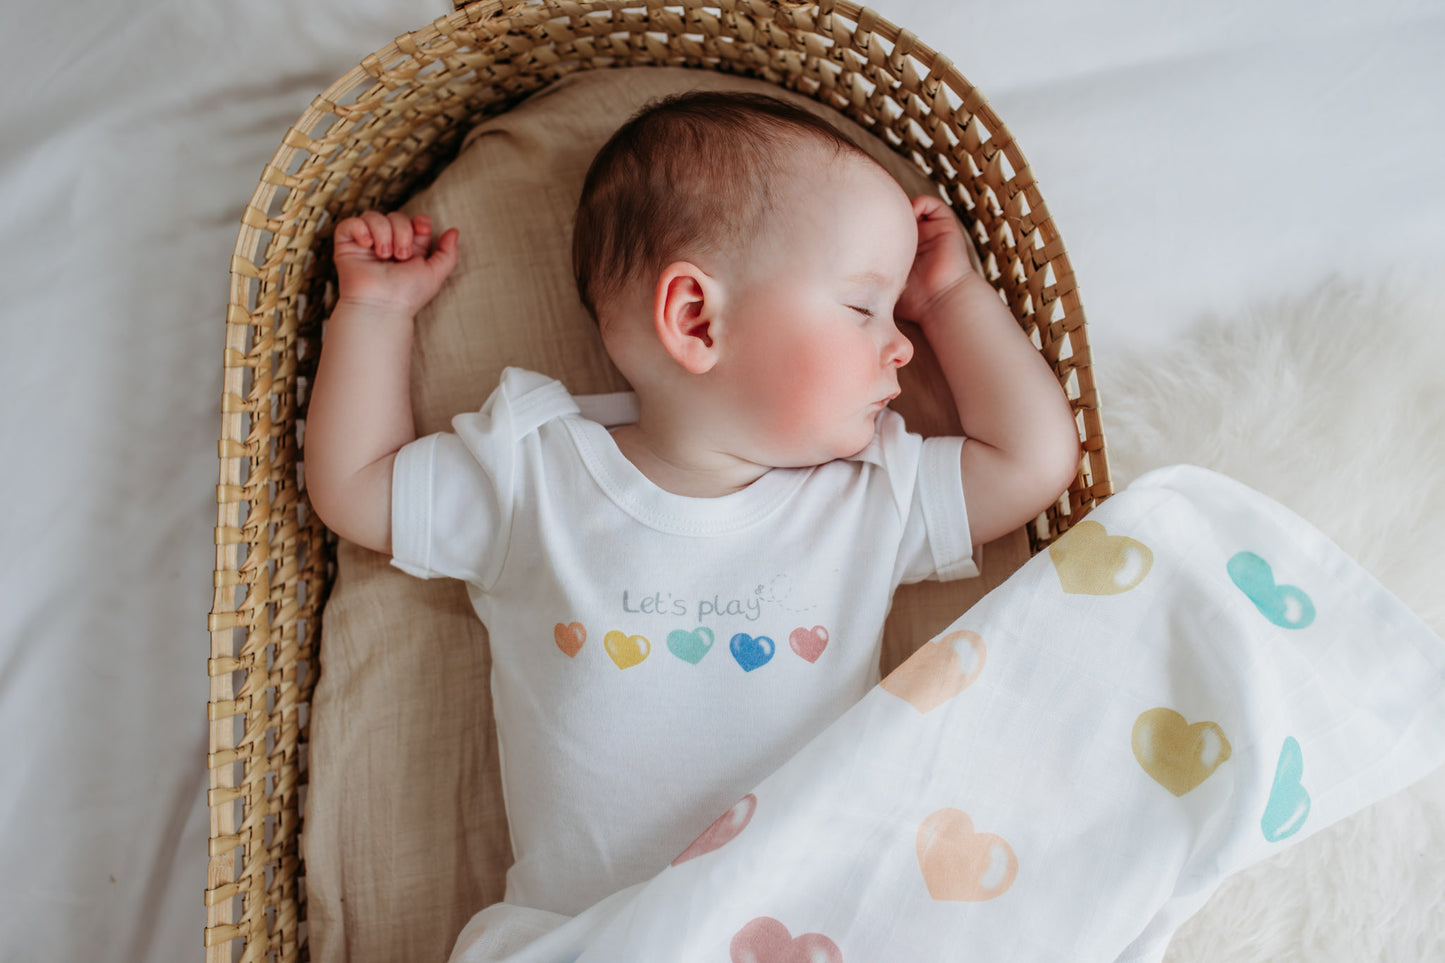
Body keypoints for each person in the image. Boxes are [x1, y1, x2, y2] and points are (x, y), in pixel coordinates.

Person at [303, 91, 1081, 916]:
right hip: (590, 937)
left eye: (894, 313)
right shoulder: (534, 475)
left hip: (801, 921)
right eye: (864, 308)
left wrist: (952, 297)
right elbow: (357, 485)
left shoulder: (869, 497)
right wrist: (377, 313)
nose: (901, 344)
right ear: (695, 319)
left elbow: (1033, 459)